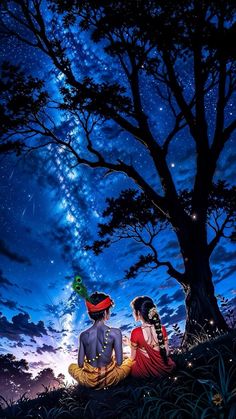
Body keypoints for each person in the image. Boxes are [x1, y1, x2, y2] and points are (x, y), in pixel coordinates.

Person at [68, 291, 133, 389]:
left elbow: (80, 364)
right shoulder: (115, 332)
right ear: (106, 312)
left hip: (89, 381)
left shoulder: (83, 335)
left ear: (90, 315)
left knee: (71, 367)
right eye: (109, 310)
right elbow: (119, 363)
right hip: (111, 379)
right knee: (128, 361)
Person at [123, 296, 175, 378]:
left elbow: (132, 357)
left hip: (144, 372)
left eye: (133, 310)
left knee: (128, 361)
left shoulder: (136, 332)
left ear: (138, 313)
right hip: (166, 369)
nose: (132, 313)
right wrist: (132, 345)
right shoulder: (162, 328)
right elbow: (166, 353)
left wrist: (130, 348)